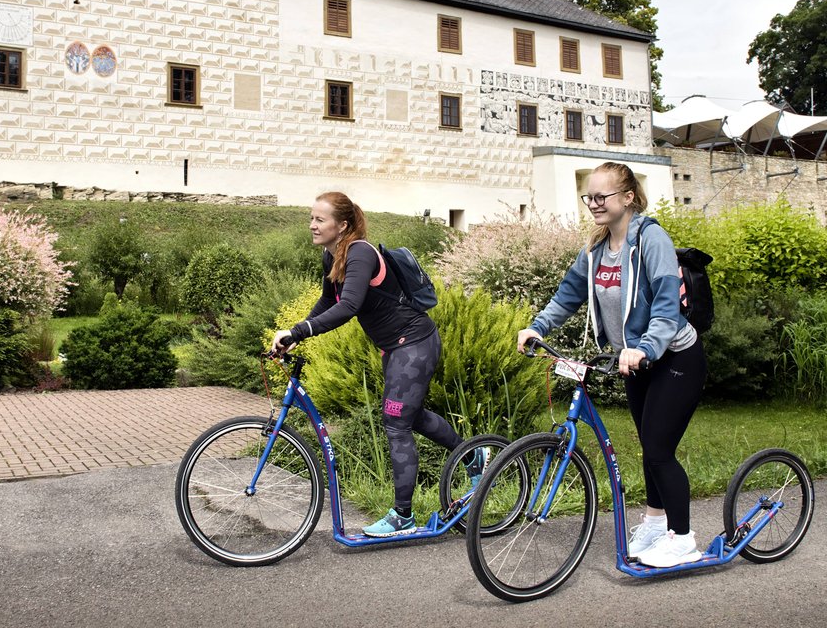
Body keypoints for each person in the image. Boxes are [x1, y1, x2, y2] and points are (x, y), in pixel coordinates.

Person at [516, 162, 707, 568]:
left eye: (601, 196)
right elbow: (567, 295)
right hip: (635, 363)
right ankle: (656, 524)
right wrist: (537, 326)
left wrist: (645, 348)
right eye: (589, 197)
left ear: (628, 197)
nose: (594, 204)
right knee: (650, 446)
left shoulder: (651, 239)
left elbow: (666, 305)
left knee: (658, 450)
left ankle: (684, 539)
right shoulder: (597, 249)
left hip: (674, 357)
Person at [271, 191, 485, 537]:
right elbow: (330, 299)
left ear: (342, 225)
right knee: (410, 416)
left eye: (319, 219)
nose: (311, 225)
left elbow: (350, 305)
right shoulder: (333, 257)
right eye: (311, 218)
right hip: (395, 347)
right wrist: (299, 336)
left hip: (415, 343)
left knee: (396, 422)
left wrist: (299, 329)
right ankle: (473, 456)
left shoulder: (360, 253)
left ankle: (403, 515)